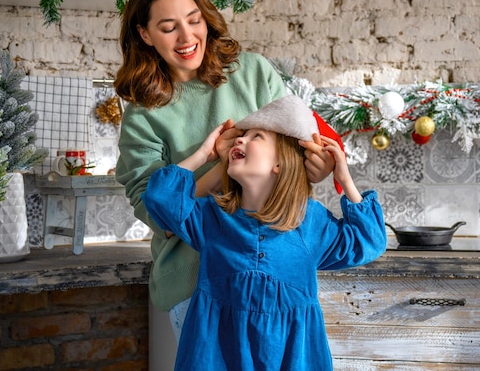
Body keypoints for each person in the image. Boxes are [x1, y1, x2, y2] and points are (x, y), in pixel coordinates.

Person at [114, 0, 334, 343]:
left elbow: (294, 156)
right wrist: (218, 167)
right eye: (169, 28)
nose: (187, 37)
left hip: (276, 275)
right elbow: (160, 214)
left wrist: (316, 168)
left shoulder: (253, 73)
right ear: (145, 34)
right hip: (198, 283)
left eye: (194, 20)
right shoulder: (143, 112)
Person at [142, 95, 388, 371]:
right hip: (214, 356)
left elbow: (371, 241)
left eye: (255, 137)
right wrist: (205, 155)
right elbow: (160, 197)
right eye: (241, 136)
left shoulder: (310, 223)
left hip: (291, 358)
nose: (240, 140)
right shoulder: (212, 218)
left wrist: (344, 178)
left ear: (280, 163)